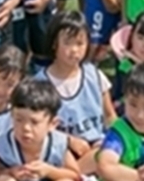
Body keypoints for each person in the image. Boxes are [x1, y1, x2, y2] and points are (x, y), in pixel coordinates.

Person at [38, 10, 115, 149]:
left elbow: (109, 115)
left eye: (80, 43)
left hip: (97, 147)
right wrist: (69, 141)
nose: (74, 50)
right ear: (54, 43)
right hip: (61, 151)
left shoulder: (94, 76)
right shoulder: (40, 84)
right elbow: (38, 127)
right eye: (67, 43)